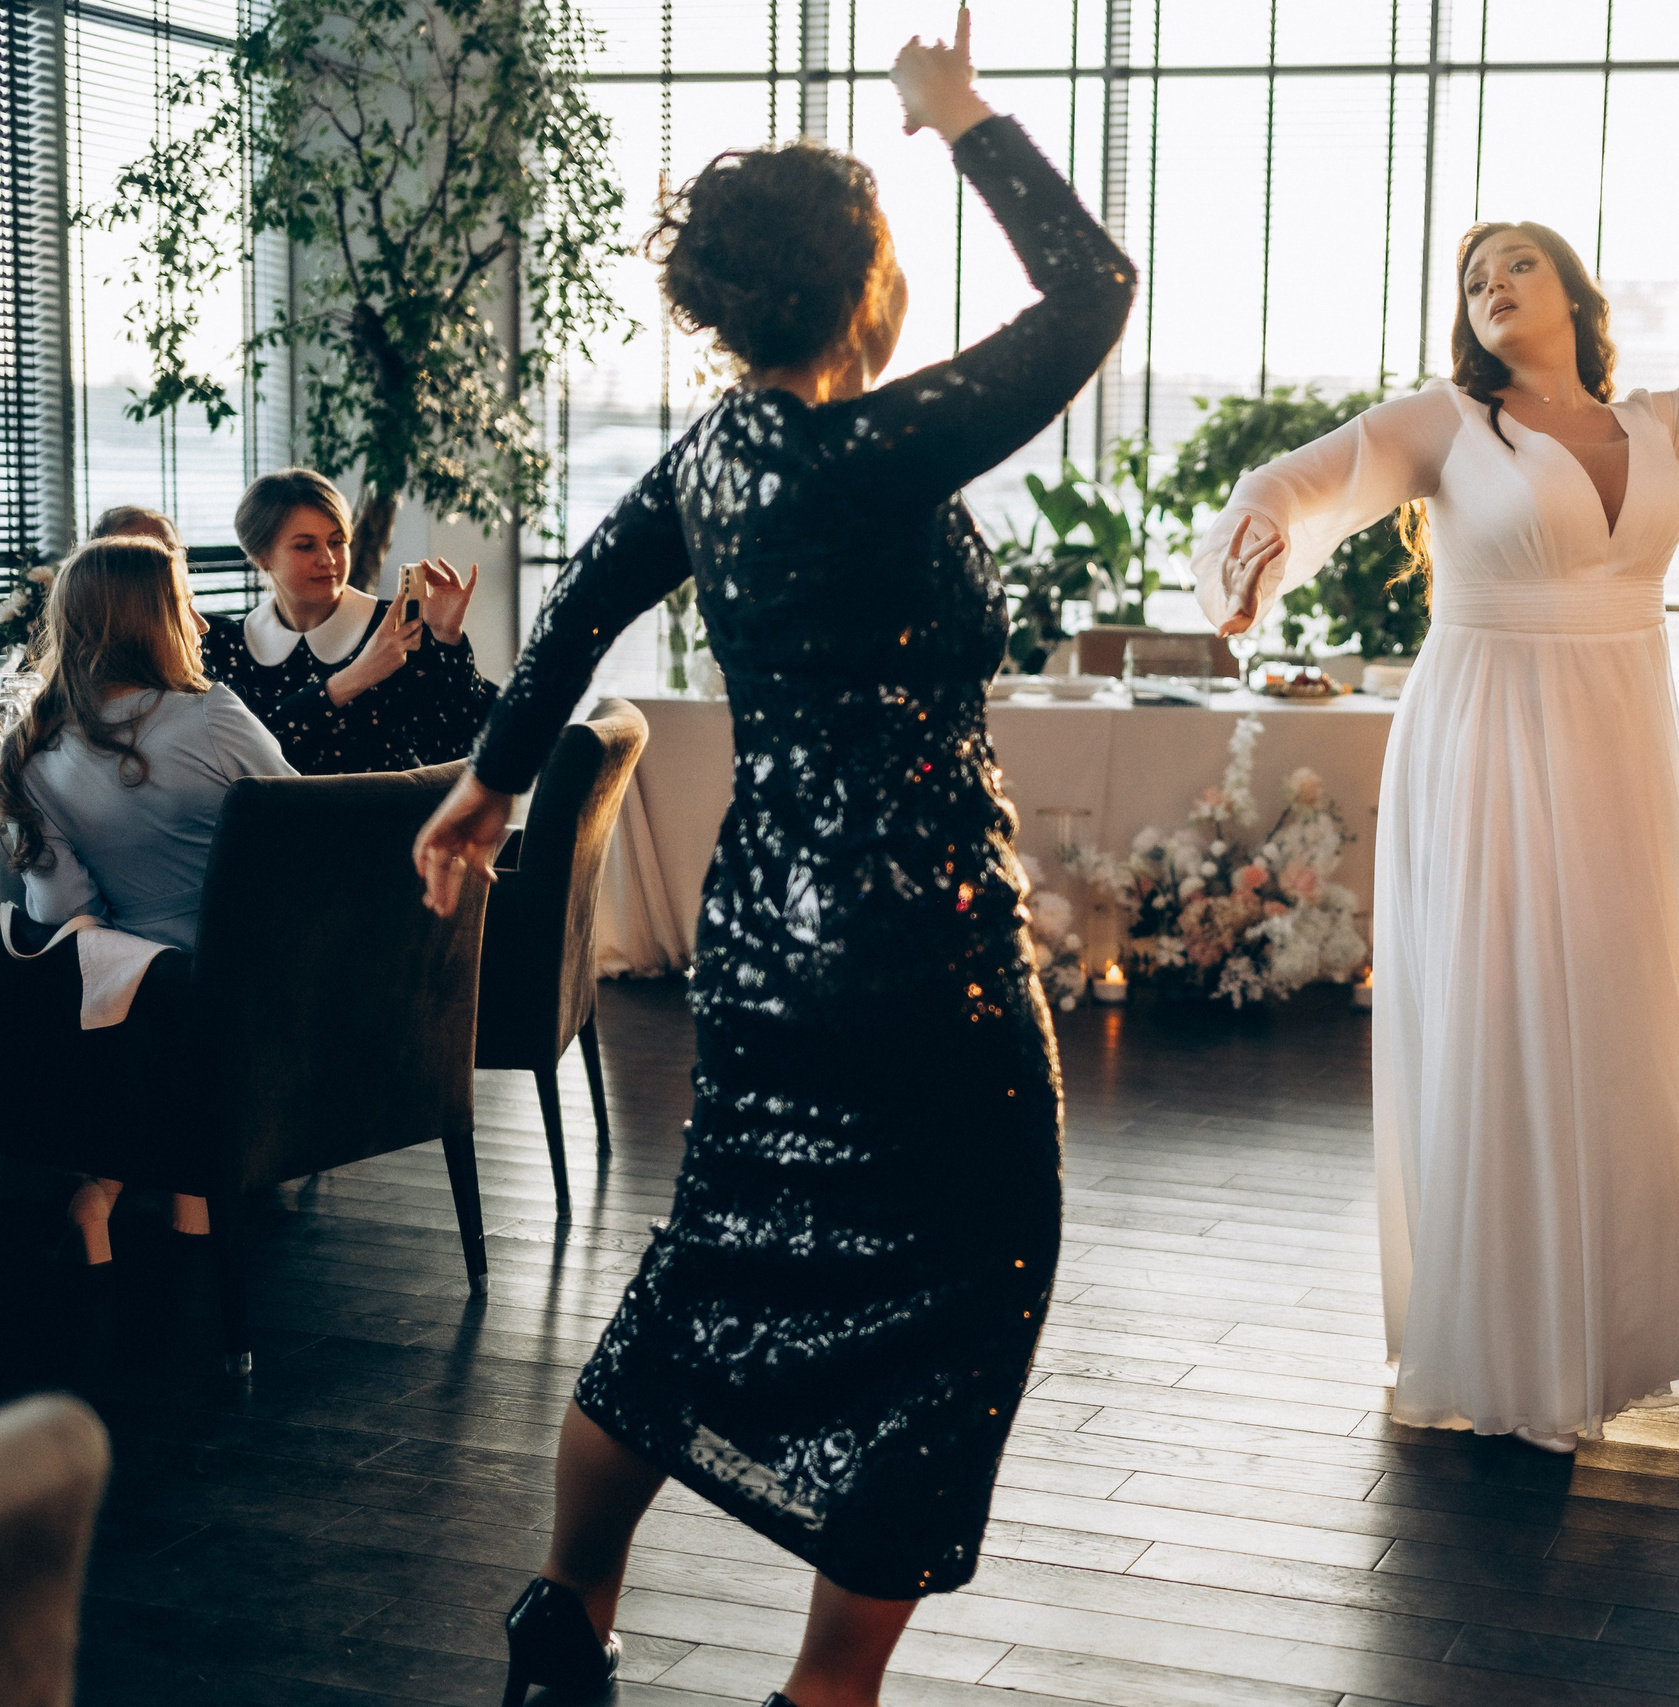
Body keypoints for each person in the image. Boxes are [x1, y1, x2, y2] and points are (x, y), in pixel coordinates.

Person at [409, 16, 1132, 1707]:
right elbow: (1093, 292)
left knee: (712, 1256)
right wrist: (963, 118)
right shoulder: (871, 446)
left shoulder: (717, 457)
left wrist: (491, 782)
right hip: (915, 934)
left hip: (762, 937)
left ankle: (564, 1613)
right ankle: (825, 1693)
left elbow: (579, 603)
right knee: (974, 1271)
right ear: (863, 283)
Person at [1195, 135, 1679, 1453]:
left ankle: (1613, 1323)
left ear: (1576, 298)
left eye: (1520, 262)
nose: (1494, 280)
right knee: (1504, 1008)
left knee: (1610, 1006)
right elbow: (1308, 478)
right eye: (1477, 272)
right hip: (1485, 729)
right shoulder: (1448, 420)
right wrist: (1250, 555)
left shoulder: (1658, 422)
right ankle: (1498, 1329)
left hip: (1616, 737)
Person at [0, 536, 296, 1257]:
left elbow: (63, 913)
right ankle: (185, 1214)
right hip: (264, 980)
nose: (197, 621)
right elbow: (307, 832)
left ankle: (106, 1192)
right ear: (151, 619)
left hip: (141, 985)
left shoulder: (33, 750)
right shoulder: (211, 716)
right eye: (185, 602)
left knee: (167, 1013)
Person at [197, 469, 495, 774]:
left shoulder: (395, 629)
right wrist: (356, 676)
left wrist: (447, 639)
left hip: (389, 818)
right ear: (262, 557)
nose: (328, 559)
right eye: (305, 545)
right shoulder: (226, 644)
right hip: (279, 821)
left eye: (337, 541)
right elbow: (244, 757)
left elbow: (460, 751)